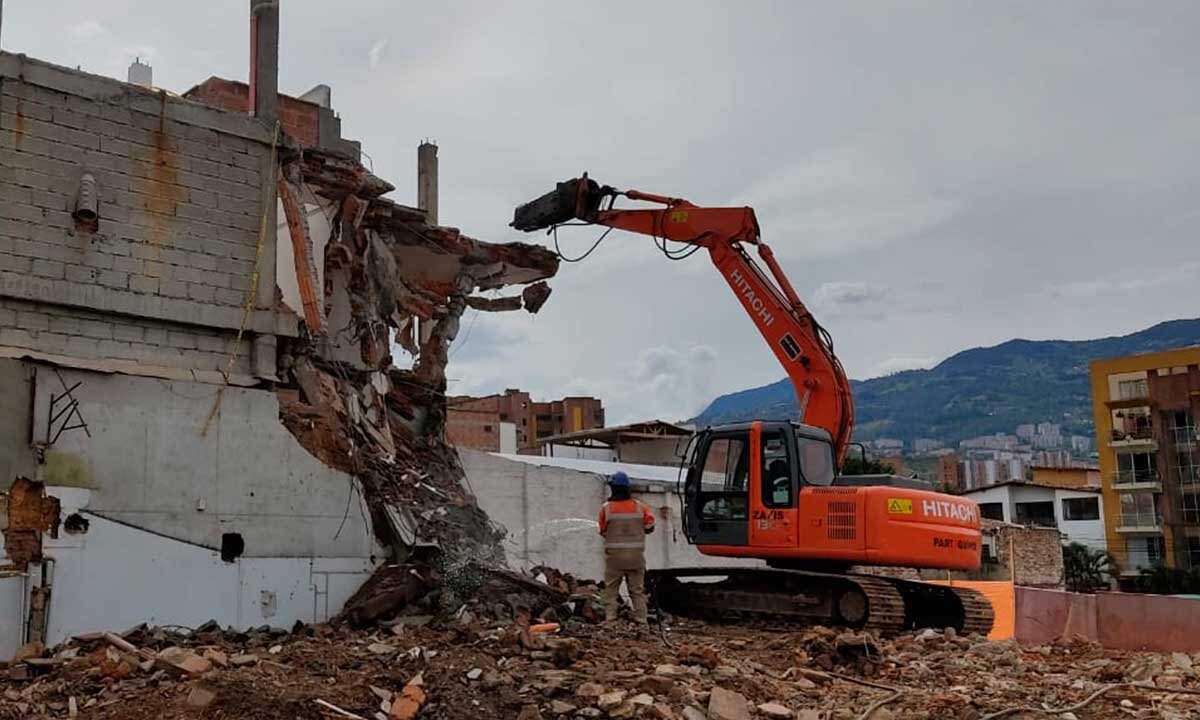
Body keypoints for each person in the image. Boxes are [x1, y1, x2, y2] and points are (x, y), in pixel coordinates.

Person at [597, 471, 655, 624]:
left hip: (614, 559)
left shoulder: (606, 508)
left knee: (610, 590)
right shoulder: (640, 507)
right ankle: (641, 620)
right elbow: (650, 526)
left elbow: (602, 531)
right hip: (636, 558)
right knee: (637, 591)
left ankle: (610, 619)